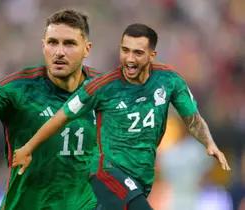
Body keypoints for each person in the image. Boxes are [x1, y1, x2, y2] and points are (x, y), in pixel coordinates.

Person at [12, 23, 231, 210]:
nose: (129, 58)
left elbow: (192, 118)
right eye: (125, 50)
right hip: (107, 173)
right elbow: (61, 117)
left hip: (141, 179)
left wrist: (209, 143)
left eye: (137, 52)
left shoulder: (170, 81)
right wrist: (28, 147)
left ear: (151, 55)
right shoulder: (102, 86)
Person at [0, 9, 100, 210]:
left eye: (69, 43)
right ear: (43, 46)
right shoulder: (18, 89)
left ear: (87, 48)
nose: (59, 51)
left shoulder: (106, 92)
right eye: (52, 42)